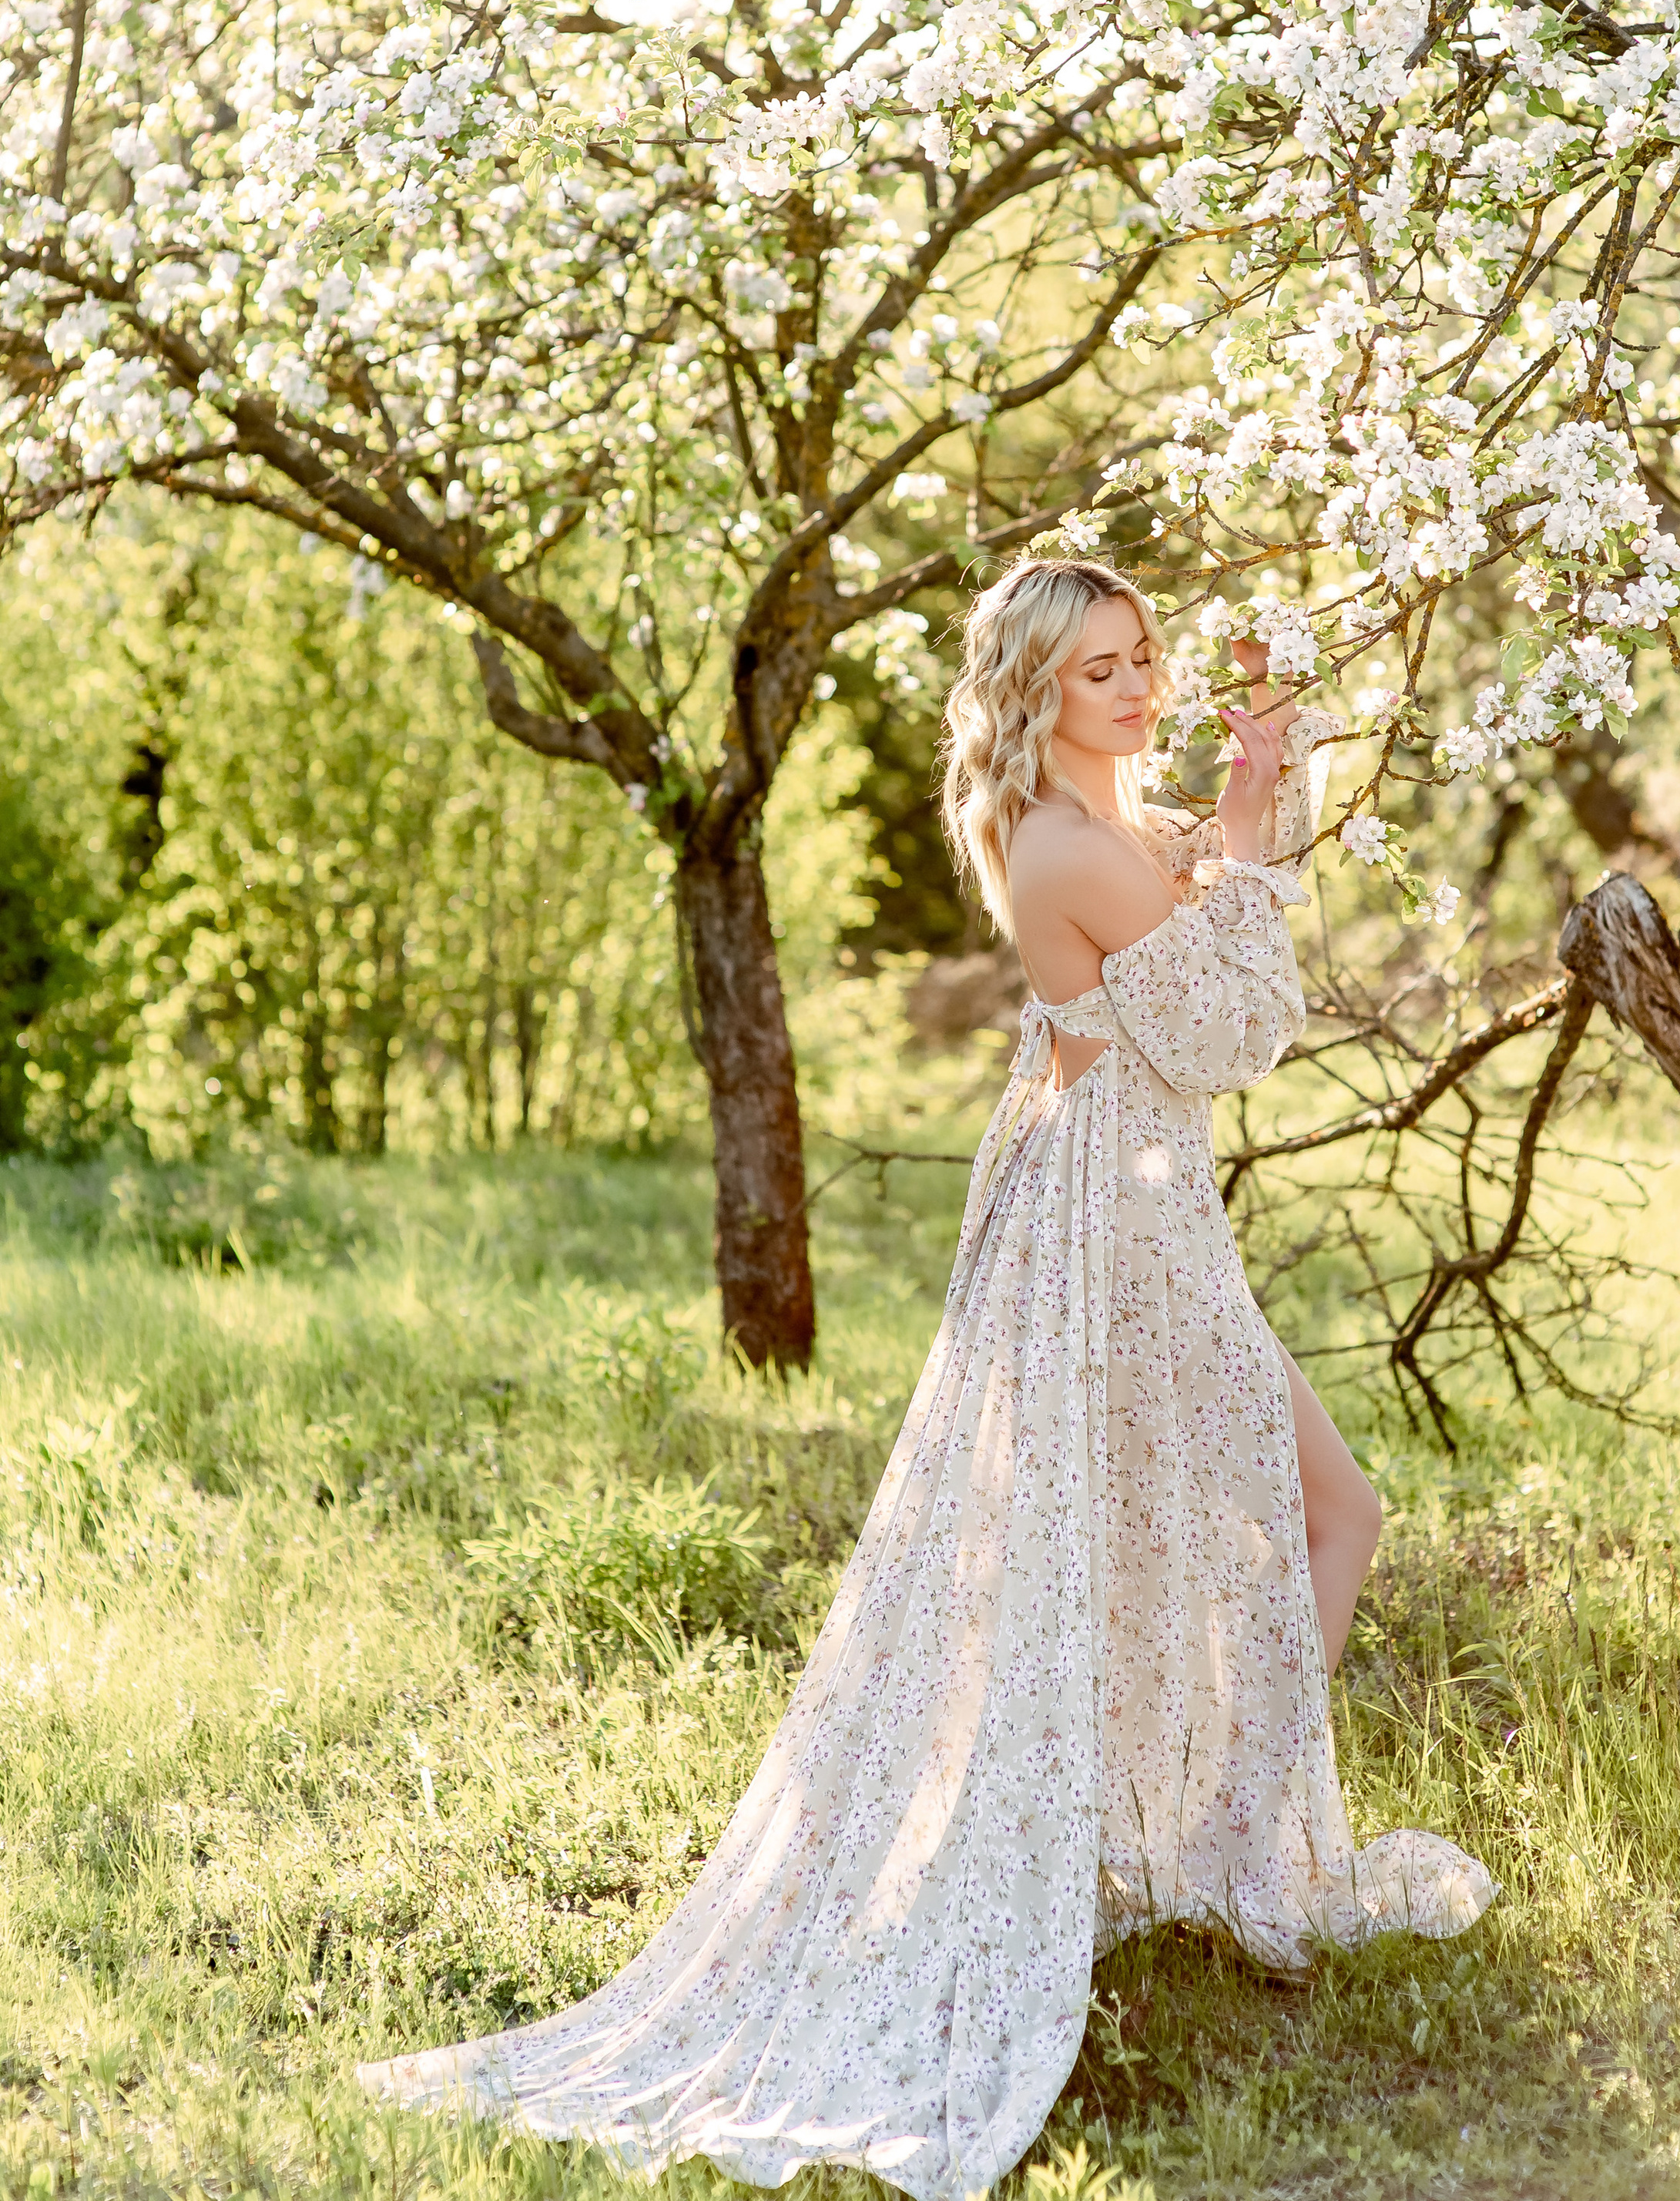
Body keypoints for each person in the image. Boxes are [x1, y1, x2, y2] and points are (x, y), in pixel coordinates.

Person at [358, 556, 1493, 2196]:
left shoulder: (1101, 832)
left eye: (1141, 656)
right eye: (1098, 669)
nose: (1136, 685)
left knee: (1275, 1523)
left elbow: (1206, 933)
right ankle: (1236, 1859)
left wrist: (1254, 790)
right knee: (1309, 1516)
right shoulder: (1063, 844)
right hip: (1116, 1236)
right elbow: (1237, 1032)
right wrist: (1248, 829)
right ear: (1032, 693)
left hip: (1131, 1217)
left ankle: (1222, 1848)